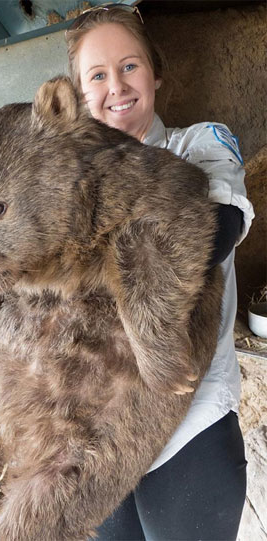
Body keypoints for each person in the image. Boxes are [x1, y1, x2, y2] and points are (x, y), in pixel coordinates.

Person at [65, 5, 254, 540]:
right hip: (95, 438)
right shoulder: (69, 180)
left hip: (188, 428)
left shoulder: (201, 144)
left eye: (130, 66)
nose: (116, 86)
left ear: (155, 73)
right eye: (97, 75)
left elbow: (216, 229)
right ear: (79, 95)